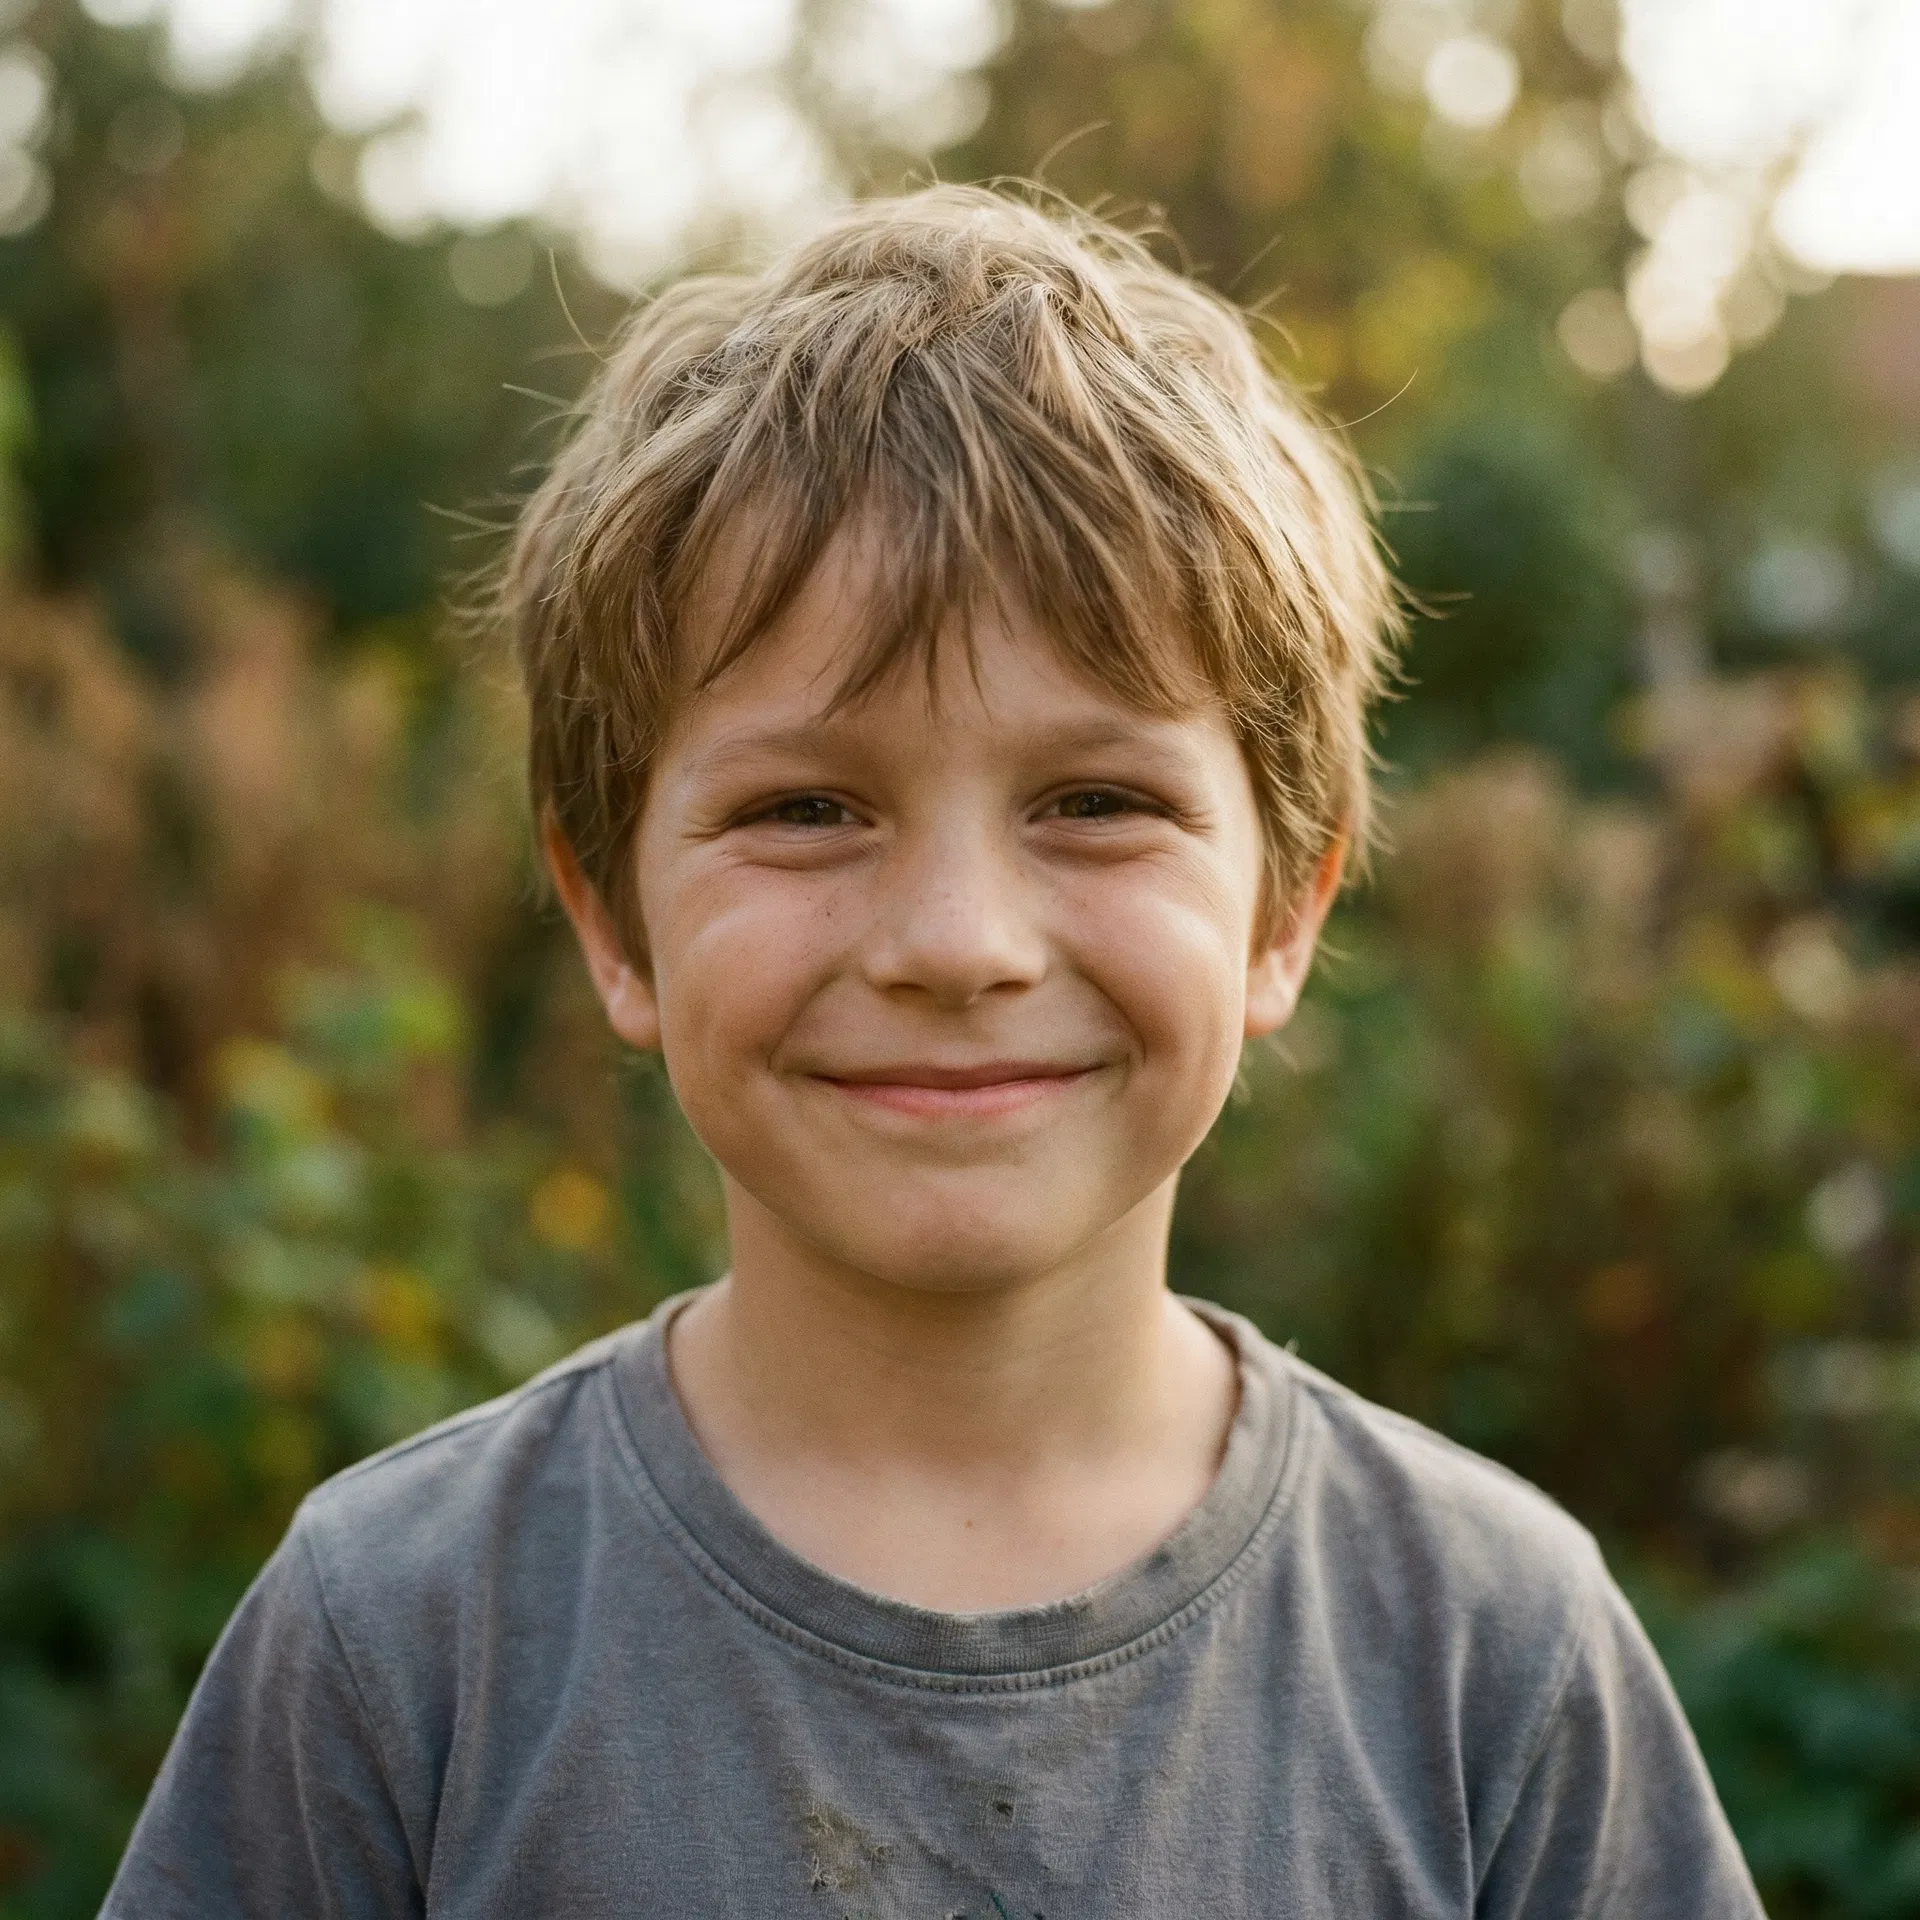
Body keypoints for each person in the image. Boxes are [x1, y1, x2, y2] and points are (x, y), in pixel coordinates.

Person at [103, 186, 1762, 1917]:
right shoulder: (398, 1647)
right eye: (806, 809)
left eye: (1099, 803)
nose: (959, 943)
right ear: (611, 917)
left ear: (1287, 907)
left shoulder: (1494, 1658)